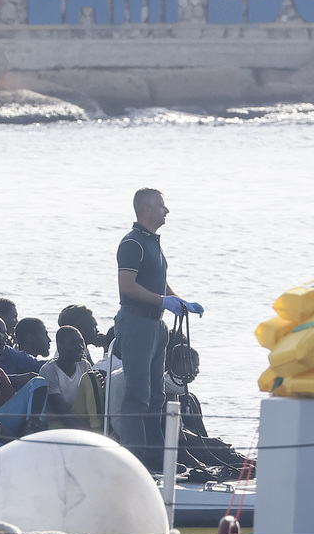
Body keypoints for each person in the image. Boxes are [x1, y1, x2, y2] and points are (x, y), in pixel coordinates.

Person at [115, 188, 202, 471]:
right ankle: (134, 460)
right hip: (136, 323)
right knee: (137, 394)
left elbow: (158, 282)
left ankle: (155, 458)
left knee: (156, 396)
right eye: (162, 206)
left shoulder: (152, 242)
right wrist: (163, 301)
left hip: (155, 325)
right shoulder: (133, 243)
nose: (167, 211)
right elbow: (127, 287)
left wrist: (179, 301)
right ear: (147, 209)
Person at [41, 326, 95, 417]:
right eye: (74, 343)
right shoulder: (50, 370)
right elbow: (60, 409)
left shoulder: (84, 365)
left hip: (79, 414)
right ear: (60, 346)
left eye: (81, 342)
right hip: (58, 417)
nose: (81, 347)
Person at [0, 314, 41, 386]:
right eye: (2, 332)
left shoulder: (7, 351)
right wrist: (18, 379)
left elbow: (36, 364)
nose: (7, 336)